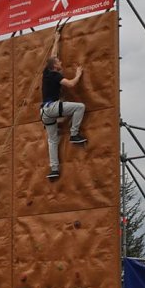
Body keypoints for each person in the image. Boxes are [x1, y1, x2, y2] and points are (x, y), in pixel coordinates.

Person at [40, 30, 87, 180]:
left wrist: (56, 40)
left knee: (52, 140)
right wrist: (79, 73)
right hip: (53, 108)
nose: (60, 62)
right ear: (55, 66)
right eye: (59, 62)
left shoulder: (47, 72)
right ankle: (74, 133)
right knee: (80, 107)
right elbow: (71, 84)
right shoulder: (55, 75)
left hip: (44, 112)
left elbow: (53, 56)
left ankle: (54, 169)